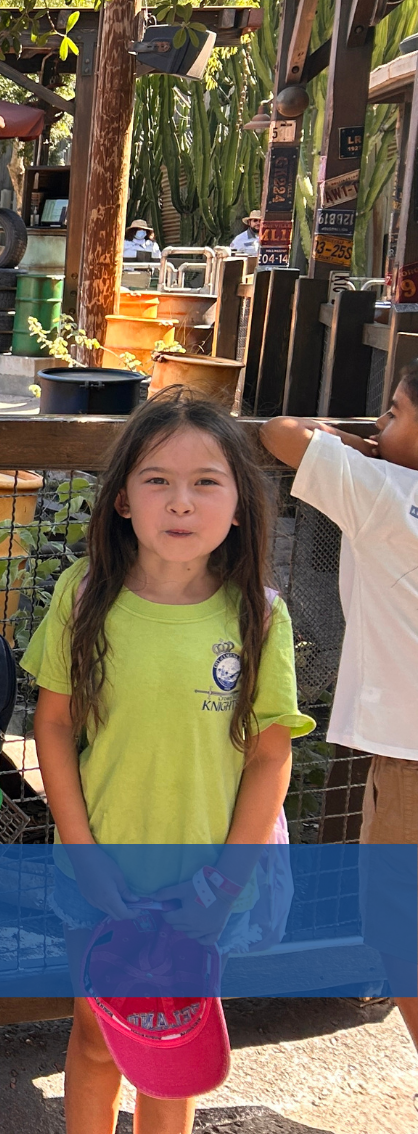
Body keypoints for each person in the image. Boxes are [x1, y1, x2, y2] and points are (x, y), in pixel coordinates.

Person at [29, 391, 308, 1133]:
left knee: (169, 1050)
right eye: (157, 480)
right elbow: (52, 727)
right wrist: (85, 858)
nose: (180, 502)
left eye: (206, 482)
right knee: (94, 1041)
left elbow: (268, 757)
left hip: (203, 884)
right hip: (99, 874)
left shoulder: (261, 616)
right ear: (122, 499)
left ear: (241, 505)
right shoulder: (81, 597)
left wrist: (223, 884)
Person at [261, 359, 418, 1052]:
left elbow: (278, 433)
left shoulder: (385, 492)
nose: (381, 425)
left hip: (410, 760)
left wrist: (353, 445)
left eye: (394, 411)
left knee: (398, 935)